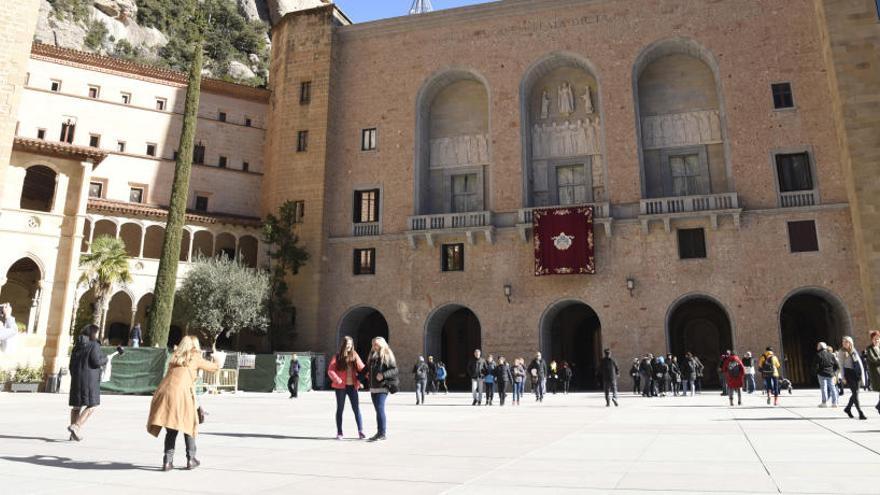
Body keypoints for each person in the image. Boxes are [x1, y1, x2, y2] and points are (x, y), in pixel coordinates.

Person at [147, 336, 220, 470]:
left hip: (166, 393)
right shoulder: (195, 357)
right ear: (195, 345)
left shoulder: (175, 357)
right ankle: (191, 459)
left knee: (171, 428)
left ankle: (167, 462)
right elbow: (214, 368)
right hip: (183, 394)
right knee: (189, 426)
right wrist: (216, 358)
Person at [67, 324, 108, 442]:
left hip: (76, 378)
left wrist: (75, 376)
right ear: (92, 333)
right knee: (92, 405)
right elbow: (96, 362)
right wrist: (106, 359)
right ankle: (76, 426)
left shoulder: (77, 346)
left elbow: (71, 364)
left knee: (76, 406)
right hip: (89, 380)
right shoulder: (94, 345)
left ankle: (73, 434)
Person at [327, 336, 365, 440]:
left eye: (351, 344)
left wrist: (368, 376)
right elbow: (330, 370)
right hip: (340, 387)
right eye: (347, 344)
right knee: (340, 409)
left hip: (352, 387)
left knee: (356, 409)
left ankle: (361, 431)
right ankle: (339, 432)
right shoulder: (338, 356)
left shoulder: (354, 355)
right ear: (344, 344)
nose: (349, 346)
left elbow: (362, 368)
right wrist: (337, 379)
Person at [367, 337, 398, 441]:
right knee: (377, 411)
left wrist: (383, 375)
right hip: (373, 388)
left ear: (381, 344)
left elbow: (394, 370)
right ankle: (379, 432)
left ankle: (382, 433)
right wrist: (358, 378)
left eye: (376, 344)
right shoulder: (372, 355)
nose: (374, 346)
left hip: (383, 387)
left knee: (380, 410)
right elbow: (367, 369)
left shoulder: (387, 354)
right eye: (373, 344)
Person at [838, 336, 867, 420]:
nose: (844, 343)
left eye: (846, 342)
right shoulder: (841, 352)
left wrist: (862, 376)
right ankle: (860, 413)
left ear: (850, 343)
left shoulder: (853, 350)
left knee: (856, 393)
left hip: (856, 374)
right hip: (849, 374)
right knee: (855, 393)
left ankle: (848, 408)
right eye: (843, 342)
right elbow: (841, 365)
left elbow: (860, 363)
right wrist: (843, 377)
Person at [814, 342, 838, 408]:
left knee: (824, 388)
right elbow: (836, 365)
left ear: (820, 347)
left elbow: (816, 366)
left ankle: (824, 403)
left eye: (818, 346)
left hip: (822, 374)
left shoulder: (818, 355)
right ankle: (834, 402)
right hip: (830, 374)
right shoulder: (831, 355)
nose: (817, 347)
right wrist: (833, 372)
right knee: (832, 387)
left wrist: (816, 372)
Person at [864, 331, 880, 416]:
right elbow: (874, 360)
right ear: (872, 340)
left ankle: (879, 406)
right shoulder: (869, 349)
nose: (876, 340)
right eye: (875, 339)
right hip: (876, 374)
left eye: (878, 339)